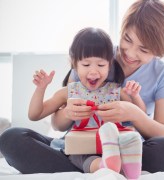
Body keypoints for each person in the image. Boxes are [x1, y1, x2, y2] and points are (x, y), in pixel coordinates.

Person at [0, 0, 164, 174]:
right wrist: (68, 112)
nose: (130, 53)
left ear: (159, 52)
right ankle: (107, 167)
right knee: (11, 139)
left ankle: (95, 166)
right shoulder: (95, 53)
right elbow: (58, 125)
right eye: (127, 39)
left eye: (143, 50)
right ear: (123, 29)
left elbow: (163, 133)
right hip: (80, 145)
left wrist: (132, 113)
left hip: (125, 147)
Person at [28, 27, 145, 179]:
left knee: (80, 157)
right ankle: (112, 165)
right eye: (86, 65)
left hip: (114, 144)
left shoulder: (116, 91)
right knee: (77, 154)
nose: (93, 72)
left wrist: (135, 96)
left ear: (109, 65)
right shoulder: (68, 92)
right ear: (74, 64)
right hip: (83, 145)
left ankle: (111, 164)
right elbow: (35, 114)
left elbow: (139, 114)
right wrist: (41, 88)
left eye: (101, 65)